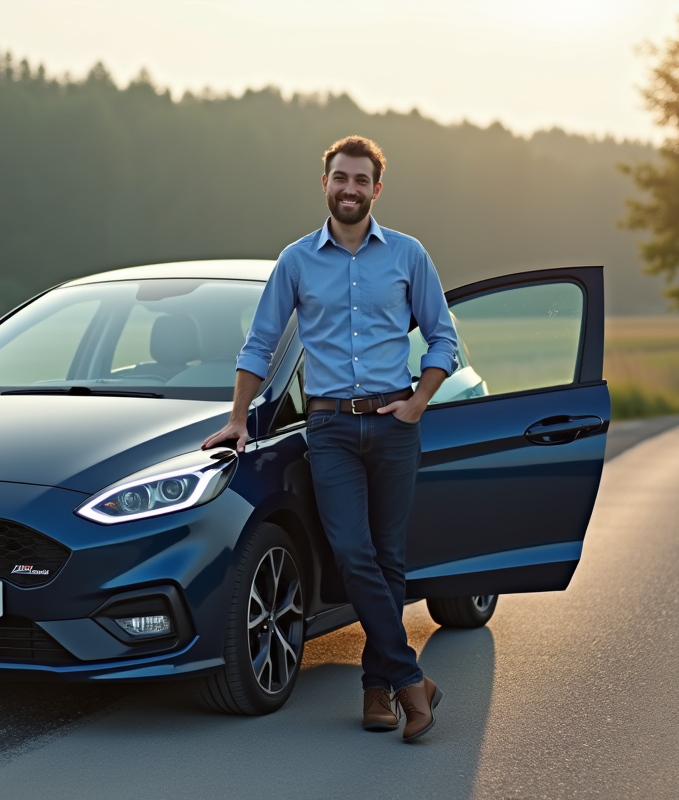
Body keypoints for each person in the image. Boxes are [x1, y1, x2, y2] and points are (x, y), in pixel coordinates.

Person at [202, 136, 458, 742]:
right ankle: (410, 680)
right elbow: (260, 344)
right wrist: (239, 417)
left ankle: (378, 689)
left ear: (376, 188)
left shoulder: (407, 255)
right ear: (325, 184)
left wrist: (418, 403)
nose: (349, 188)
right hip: (331, 427)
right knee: (352, 552)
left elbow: (444, 338)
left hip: (394, 426)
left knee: (389, 559)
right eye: (340, 178)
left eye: (361, 180)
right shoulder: (296, 261)